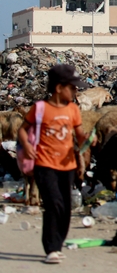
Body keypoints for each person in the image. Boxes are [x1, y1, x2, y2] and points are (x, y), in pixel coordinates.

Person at [18, 64, 90, 264]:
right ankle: (50, 248)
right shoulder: (40, 109)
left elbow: (79, 134)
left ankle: (57, 245)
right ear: (59, 88)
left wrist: (86, 143)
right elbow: (23, 130)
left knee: (65, 207)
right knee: (53, 204)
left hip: (67, 166)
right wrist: (26, 145)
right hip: (44, 164)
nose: (76, 91)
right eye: (73, 87)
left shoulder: (73, 109)